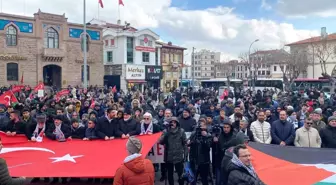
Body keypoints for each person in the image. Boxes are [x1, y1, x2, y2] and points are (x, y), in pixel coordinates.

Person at [159, 117, 187, 185]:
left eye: (174, 122)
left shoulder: (181, 131)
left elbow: (185, 143)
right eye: (171, 122)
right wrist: (166, 132)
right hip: (169, 156)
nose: (173, 124)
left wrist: (185, 155)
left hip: (179, 156)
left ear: (177, 123)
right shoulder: (166, 131)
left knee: (180, 174)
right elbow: (161, 142)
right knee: (170, 174)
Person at [188, 119, 212, 185]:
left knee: (204, 179)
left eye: (203, 125)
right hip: (194, 159)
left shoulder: (208, 135)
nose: (201, 127)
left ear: (206, 126)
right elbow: (189, 144)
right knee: (192, 179)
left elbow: (208, 146)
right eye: (200, 125)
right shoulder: (193, 134)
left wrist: (205, 137)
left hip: (204, 161)